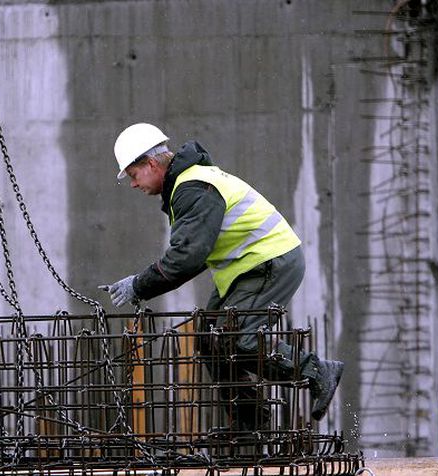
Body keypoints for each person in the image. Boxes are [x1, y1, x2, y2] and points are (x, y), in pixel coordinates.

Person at [99, 122, 343, 424]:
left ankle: (317, 371)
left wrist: (139, 285)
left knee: (244, 340)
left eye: (133, 175)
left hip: (268, 261)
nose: (134, 184)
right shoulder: (190, 183)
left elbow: (186, 257)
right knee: (211, 341)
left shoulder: (193, 187)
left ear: (150, 163)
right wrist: (144, 283)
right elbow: (197, 250)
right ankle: (250, 421)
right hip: (246, 266)